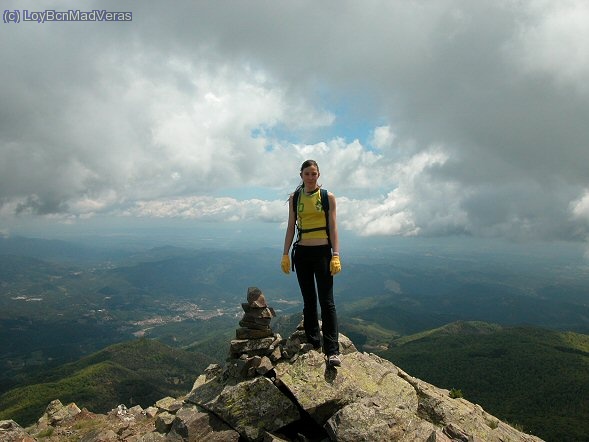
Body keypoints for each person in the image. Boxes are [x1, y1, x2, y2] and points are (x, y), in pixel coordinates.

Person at [281, 159, 342, 367]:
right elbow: (291, 227)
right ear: (301, 175)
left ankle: (332, 350)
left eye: (314, 174)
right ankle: (314, 342)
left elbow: (333, 227)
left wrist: (336, 254)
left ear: (319, 175)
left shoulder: (327, 197)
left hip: (323, 252)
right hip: (302, 253)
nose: (310, 177)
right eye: (307, 173)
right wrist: (285, 253)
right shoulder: (295, 198)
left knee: (327, 301)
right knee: (309, 301)